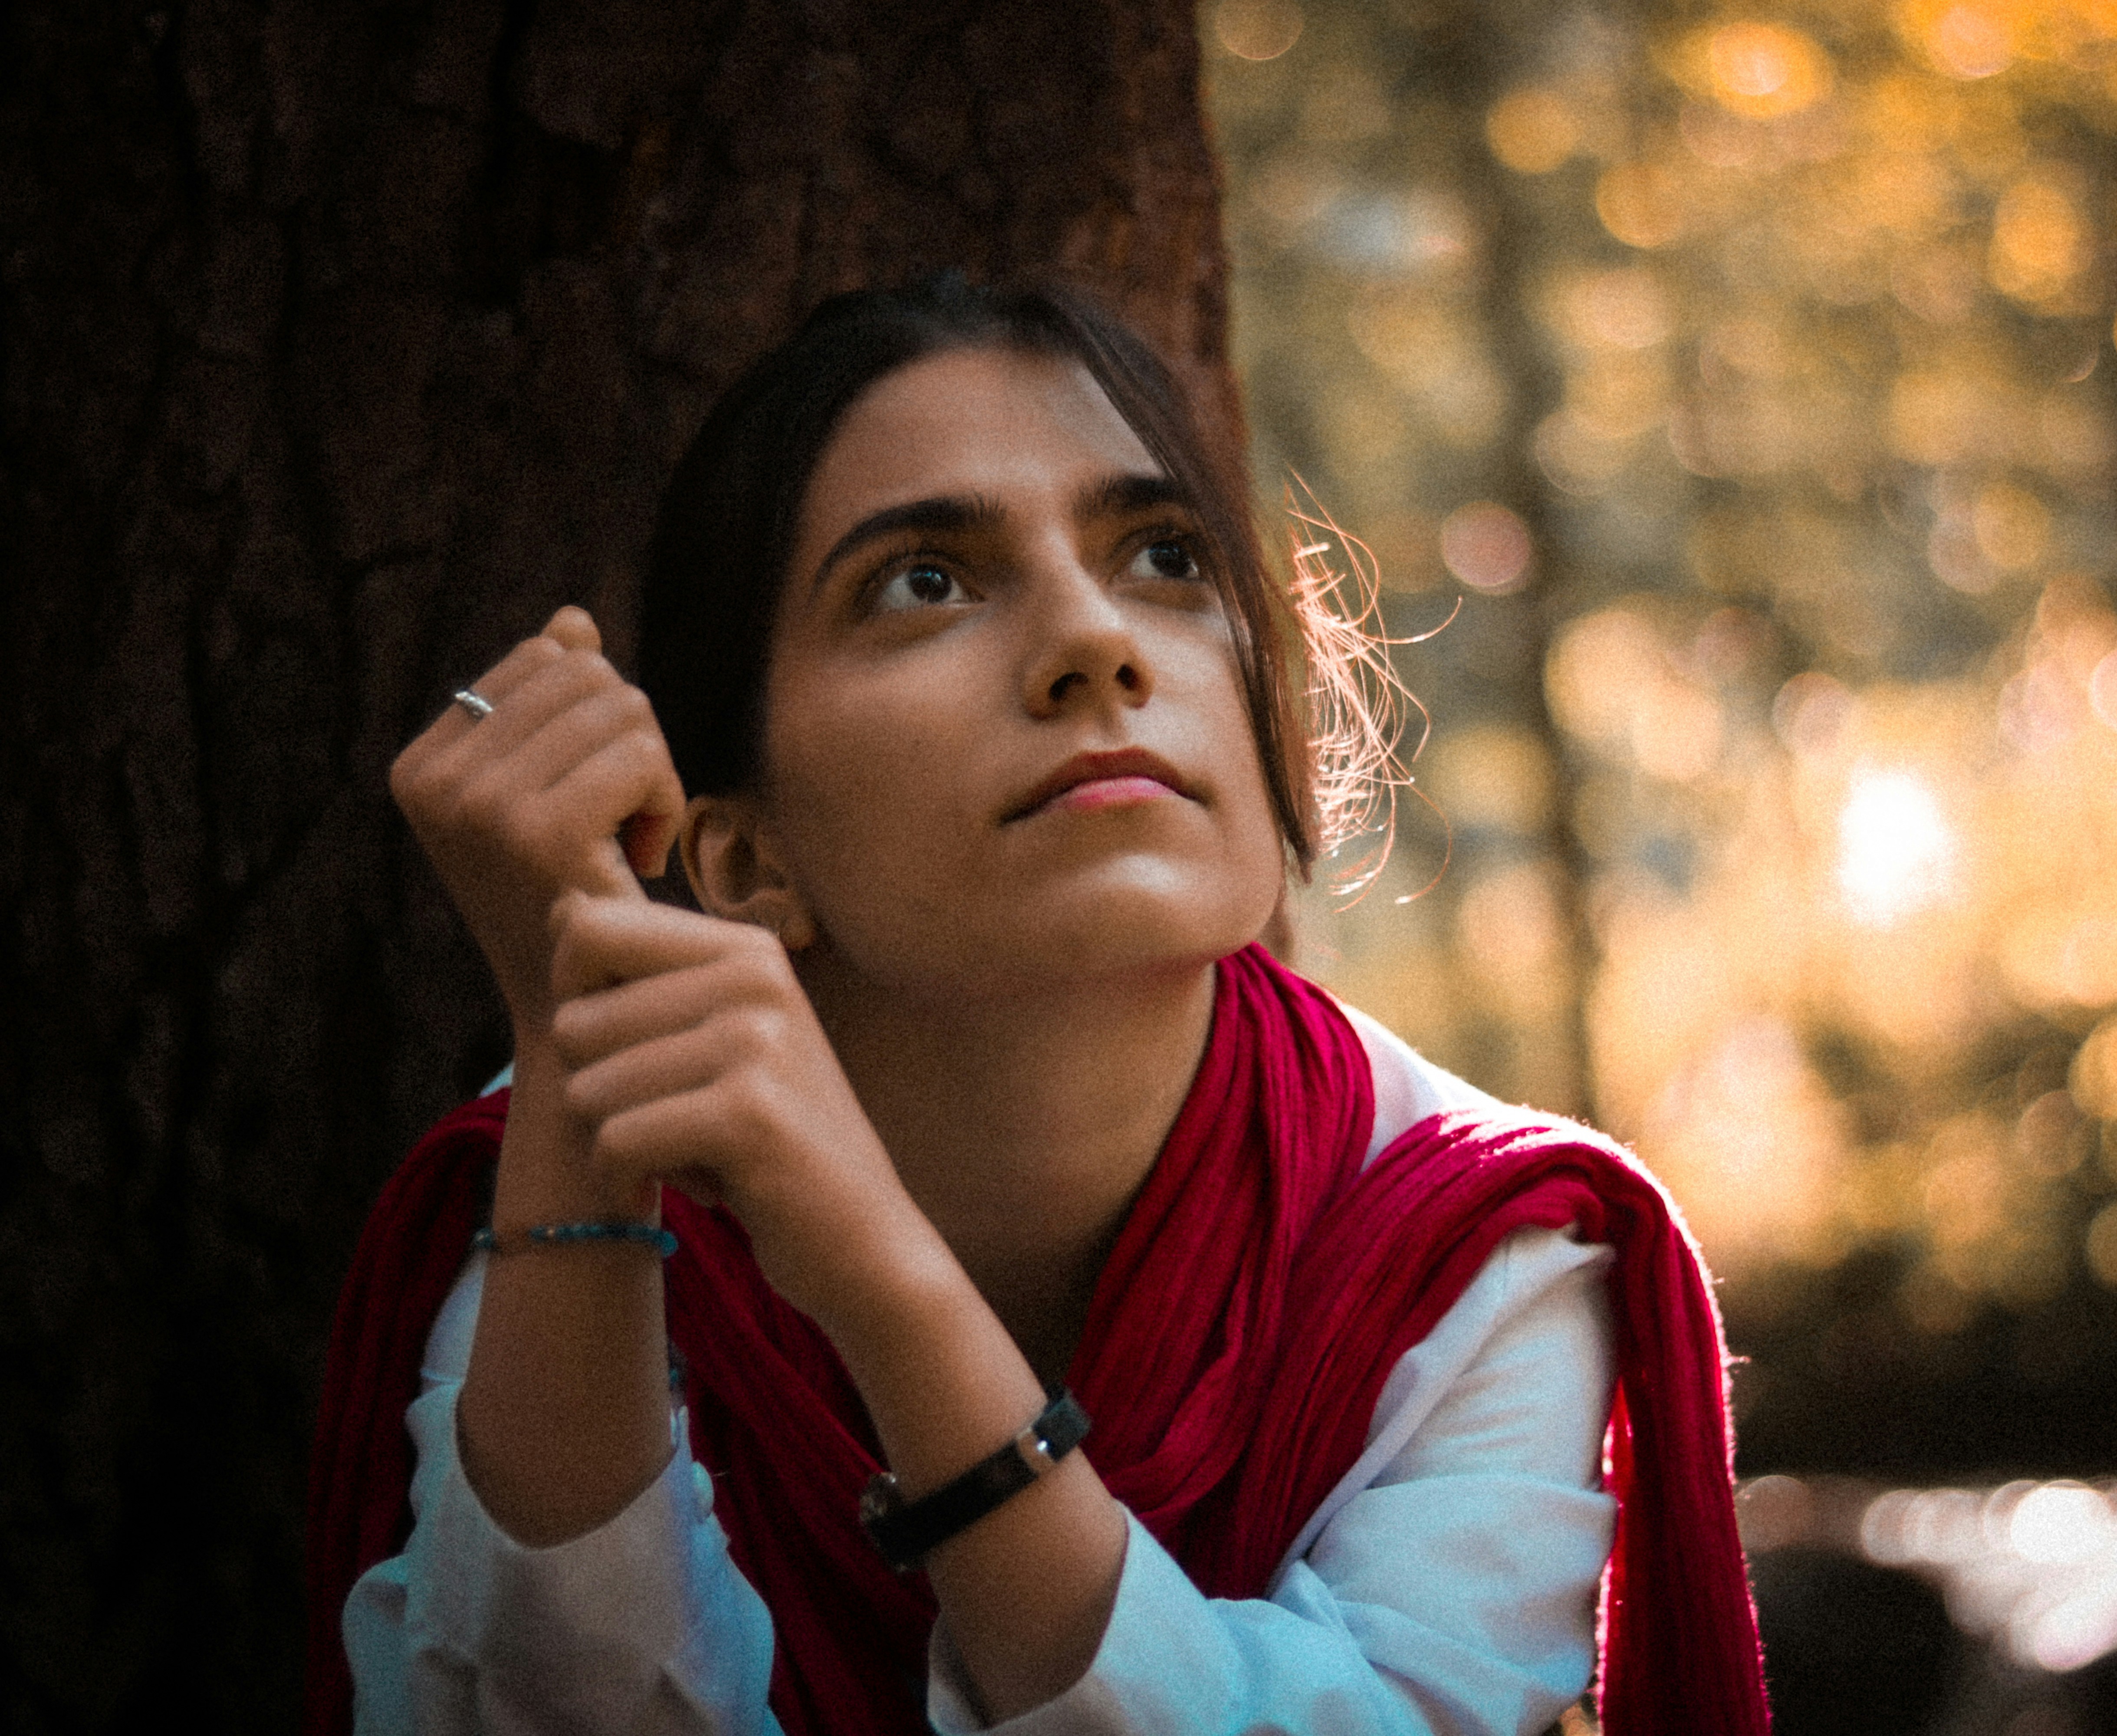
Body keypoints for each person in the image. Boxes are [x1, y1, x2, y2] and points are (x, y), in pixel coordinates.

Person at [303, 276, 1769, 1736]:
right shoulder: (589, 1170)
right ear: (747, 858)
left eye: (1165, 557)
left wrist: (881, 1283)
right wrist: (574, 1051)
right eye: (923, 581)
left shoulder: (1466, 1253)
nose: (1095, 642)